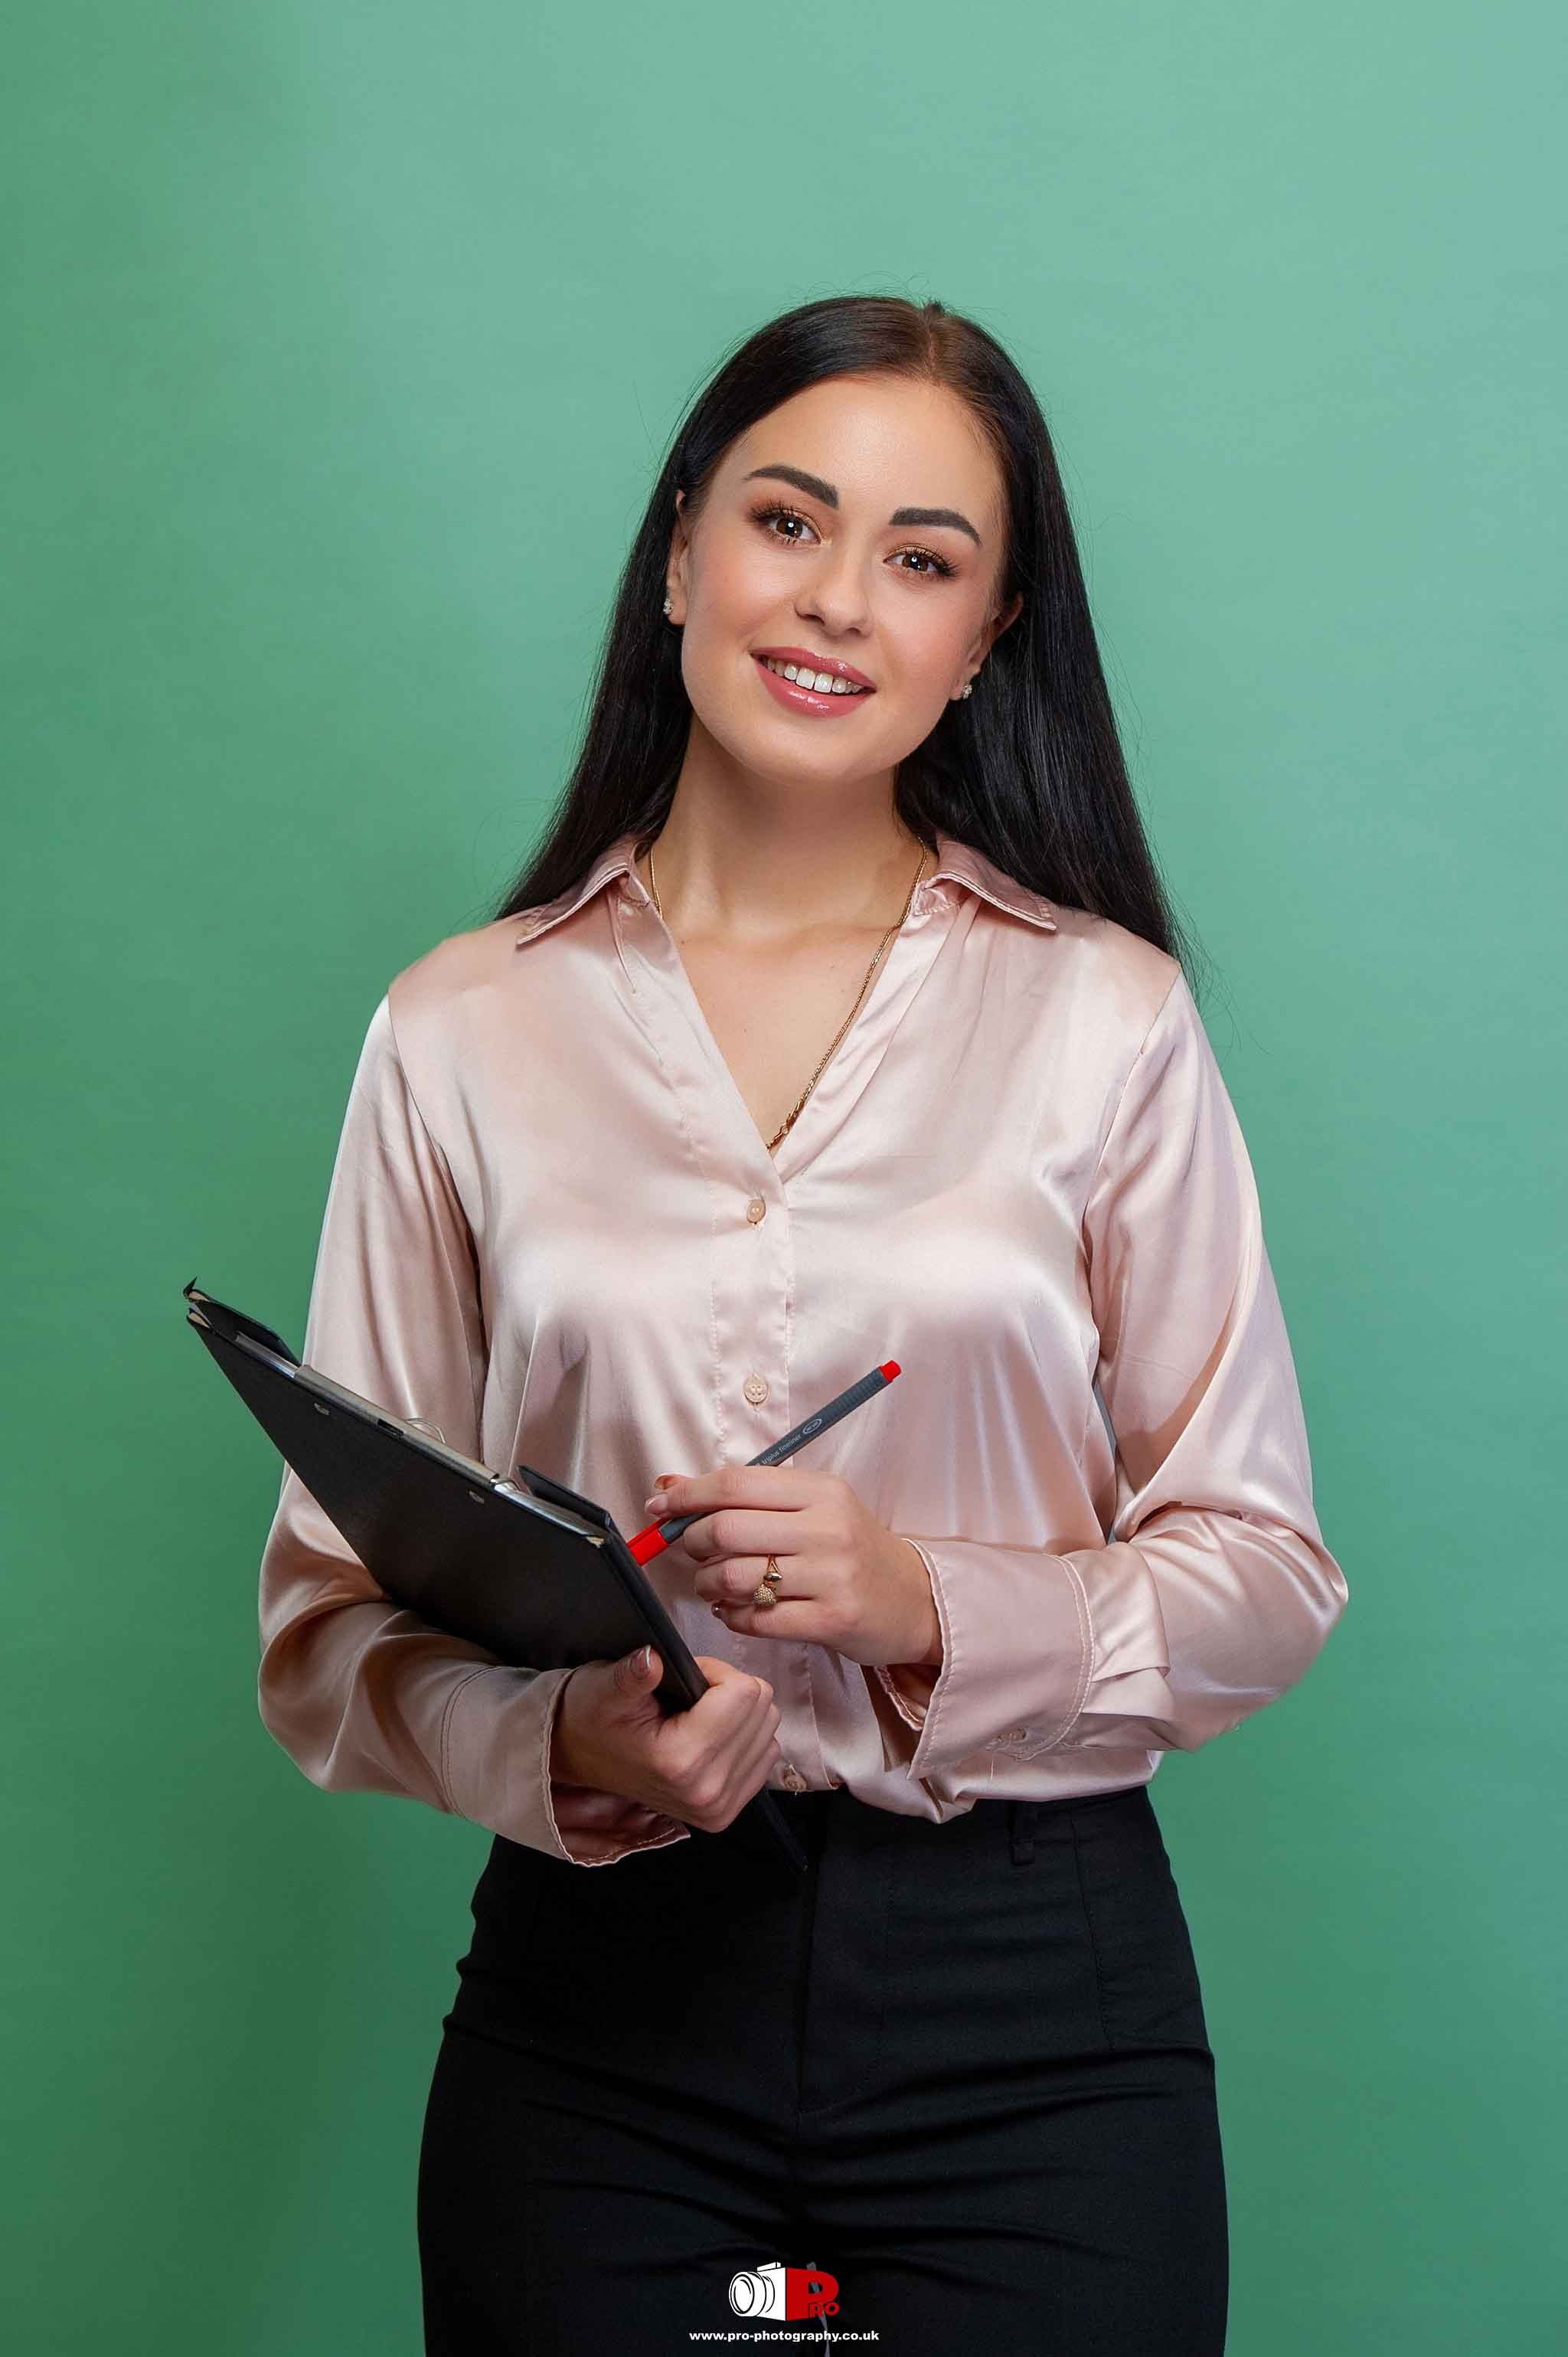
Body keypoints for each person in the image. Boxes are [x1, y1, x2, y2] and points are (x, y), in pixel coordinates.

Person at [255, 293, 1348, 2355]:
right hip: (600, 2022)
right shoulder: (459, 1030)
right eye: (787, 520)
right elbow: (325, 1630)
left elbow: (1266, 1571)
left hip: (1036, 2017)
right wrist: (557, 1742)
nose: (839, 598)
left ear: (987, 636)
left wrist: (932, 1604)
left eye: (922, 559)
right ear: (681, 553)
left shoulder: (1109, 1020)